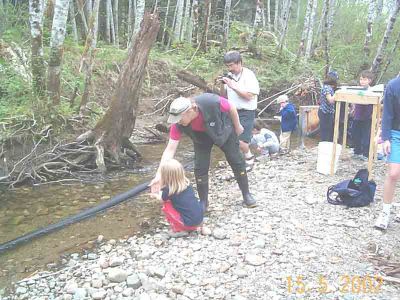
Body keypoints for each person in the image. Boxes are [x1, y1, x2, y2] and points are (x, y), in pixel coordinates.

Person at [149, 93, 257, 210]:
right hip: (200, 138)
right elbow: (169, 150)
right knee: (200, 167)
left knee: (236, 160)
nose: (177, 122)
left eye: (179, 118)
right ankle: (203, 202)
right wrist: (159, 175)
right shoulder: (177, 125)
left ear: (191, 111)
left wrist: (238, 126)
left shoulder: (210, 101)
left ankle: (246, 194)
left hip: (223, 130)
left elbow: (231, 106)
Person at [220, 51, 260, 170]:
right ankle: (237, 161)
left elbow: (249, 96)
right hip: (232, 111)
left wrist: (233, 86)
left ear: (239, 63)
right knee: (229, 138)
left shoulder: (249, 75)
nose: (230, 68)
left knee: (242, 141)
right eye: (227, 66)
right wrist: (223, 84)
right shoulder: (229, 75)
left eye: (231, 65)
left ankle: (249, 158)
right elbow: (223, 96)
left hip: (246, 112)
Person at [152, 159, 204, 235]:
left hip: (189, 224)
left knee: (166, 204)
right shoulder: (187, 184)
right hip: (199, 219)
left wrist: (154, 195)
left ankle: (179, 229)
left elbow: (162, 199)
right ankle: (199, 226)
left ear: (165, 176)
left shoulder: (169, 190)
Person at [374, 76, 400, 230]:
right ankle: (385, 212)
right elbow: (387, 114)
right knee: (393, 173)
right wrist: (385, 138)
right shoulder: (393, 85)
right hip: (396, 134)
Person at [352, 70, 374, 160]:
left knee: (366, 136)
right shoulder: (357, 89)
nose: (362, 81)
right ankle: (357, 152)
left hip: (367, 117)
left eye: (364, 79)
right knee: (355, 134)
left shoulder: (372, 90)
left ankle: (366, 154)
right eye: (361, 79)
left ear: (370, 80)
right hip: (357, 116)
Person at [318, 71, 339, 142]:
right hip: (325, 113)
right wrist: (337, 93)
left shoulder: (328, 87)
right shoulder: (327, 88)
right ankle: (325, 148)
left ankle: (328, 147)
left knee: (329, 132)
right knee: (325, 133)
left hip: (328, 112)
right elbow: (330, 100)